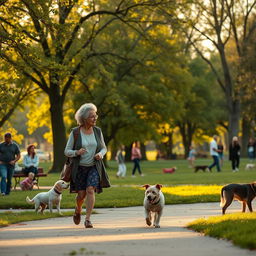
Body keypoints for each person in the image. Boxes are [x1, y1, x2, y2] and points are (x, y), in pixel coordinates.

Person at [64, 103, 110, 228]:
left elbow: (104, 148)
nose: (95, 118)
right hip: (79, 169)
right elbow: (66, 151)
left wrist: (100, 154)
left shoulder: (97, 131)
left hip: (93, 166)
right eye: (91, 117)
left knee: (90, 190)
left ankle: (88, 219)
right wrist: (76, 152)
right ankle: (78, 210)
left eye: (95, 116)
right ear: (84, 118)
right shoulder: (75, 132)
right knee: (81, 195)